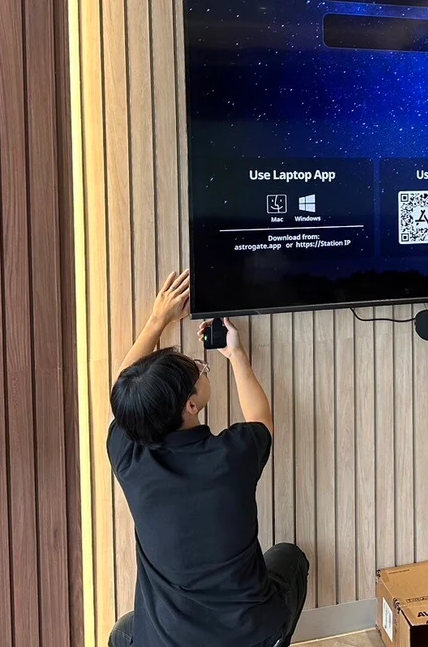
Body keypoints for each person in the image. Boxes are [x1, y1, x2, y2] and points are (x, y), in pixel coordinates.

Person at [106, 270, 308, 647]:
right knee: (291, 557)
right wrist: (236, 355)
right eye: (198, 370)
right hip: (250, 637)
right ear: (191, 405)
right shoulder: (230, 457)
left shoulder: (129, 456)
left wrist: (157, 320)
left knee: (124, 633)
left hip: (168, 642)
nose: (201, 367)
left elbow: (125, 391)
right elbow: (261, 419)